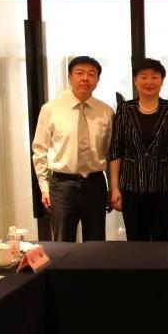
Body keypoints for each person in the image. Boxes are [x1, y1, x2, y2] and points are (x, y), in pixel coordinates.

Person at [32, 56, 114, 241]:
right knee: (63, 244)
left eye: (91, 74)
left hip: (95, 184)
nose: (85, 78)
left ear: (97, 80)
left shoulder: (106, 112)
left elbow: (111, 153)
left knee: (96, 243)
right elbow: (39, 150)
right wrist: (44, 186)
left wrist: (112, 188)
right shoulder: (51, 109)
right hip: (62, 185)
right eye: (79, 73)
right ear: (70, 77)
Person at [108, 58, 168, 241]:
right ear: (135, 80)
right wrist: (114, 188)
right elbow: (115, 150)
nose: (149, 81)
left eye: (154, 76)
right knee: (136, 241)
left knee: (164, 239)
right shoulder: (124, 109)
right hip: (131, 187)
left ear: (162, 80)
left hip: (165, 186)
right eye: (144, 77)